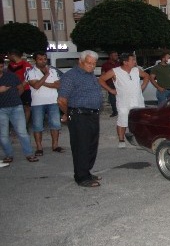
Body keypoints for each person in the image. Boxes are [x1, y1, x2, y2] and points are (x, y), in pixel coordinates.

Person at [57, 51, 103, 187]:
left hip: (93, 115)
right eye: (89, 63)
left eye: (94, 64)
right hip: (79, 115)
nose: (92, 66)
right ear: (80, 61)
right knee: (81, 146)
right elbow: (61, 100)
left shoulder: (90, 75)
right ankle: (81, 177)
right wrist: (68, 114)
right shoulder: (70, 76)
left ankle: (86, 171)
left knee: (91, 145)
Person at [98, 53, 149, 148]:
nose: (134, 62)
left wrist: (142, 87)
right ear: (125, 62)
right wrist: (111, 90)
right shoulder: (115, 71)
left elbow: (146, 76)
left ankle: (137, 138)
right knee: (123, 120)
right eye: (132, 60)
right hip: (123, 101)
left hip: (138, 100)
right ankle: (121, 140)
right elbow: (101, 79)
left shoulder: (136, 70)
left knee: (138, 120)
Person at [1, 60, 39, 164]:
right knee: (3, 134)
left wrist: (15, 97)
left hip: (16, 107)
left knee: (22, 132)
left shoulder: (10, 76)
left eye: (1, 66)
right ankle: (8, 155)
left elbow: (20, 87)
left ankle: (29, 154)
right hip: (1, 109)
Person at [26, 52, 63, 156]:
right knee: (37, 126)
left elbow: (58, 85)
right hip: (37, 103)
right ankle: (39, 147)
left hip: (53, 101)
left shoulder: (53, 70)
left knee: (55, 125)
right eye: (40, 59)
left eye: (44, 59)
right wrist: (46, 75)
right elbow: (36, 85)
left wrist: (43, 83)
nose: (43, 61)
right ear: (35, 60)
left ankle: (55, 145)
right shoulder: (31, 72)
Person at [7, 49, 32, 124]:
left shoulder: (26, 64)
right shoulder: (10, 65)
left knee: (26, 108)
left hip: (25, 90)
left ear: (13, 55)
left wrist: (20, 87)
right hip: (13, 90)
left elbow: (27, 78)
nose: (8, 57)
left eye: (8, 55)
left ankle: (25, 125)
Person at [101, 51, 120, 117]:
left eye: (117, 55)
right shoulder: (105, 65)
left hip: (119, 83)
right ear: (110, 56)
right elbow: (103, 74)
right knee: (112, 98)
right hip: (110, 83)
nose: (117, 57)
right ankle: (115, 111)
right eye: (115, 55)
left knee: (120, 97)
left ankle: (120, 110)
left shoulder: (119, 64)